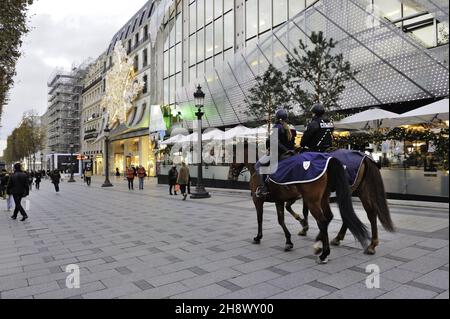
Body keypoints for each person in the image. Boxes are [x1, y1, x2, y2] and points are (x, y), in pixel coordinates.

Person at [255, 109, 297, 198]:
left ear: (278, 118)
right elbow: (292, 143)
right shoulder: (291, 128)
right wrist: (289, 151)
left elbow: (274, 142)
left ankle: (263, 189)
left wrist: (284, 150)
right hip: (291, 154)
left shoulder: (277, 127)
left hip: (279, 154)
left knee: (258, 166)